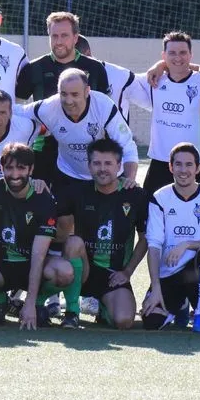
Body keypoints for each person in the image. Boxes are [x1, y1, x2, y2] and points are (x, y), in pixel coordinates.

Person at [0, 143, 82, 329]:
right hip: (0, 263)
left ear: (31, 169)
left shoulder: (43, 198)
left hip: (33, 263)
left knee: (64, 272)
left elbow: (38, 256)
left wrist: (30, 303)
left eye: (21, 168)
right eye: (9, 168)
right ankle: (0, 299)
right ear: (1, 168)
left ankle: (41, 303)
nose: (15, 175)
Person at [55, 139, 149, 329]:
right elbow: (56, 230)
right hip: (83, 269)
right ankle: (72, 311)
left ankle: (104, 307)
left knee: (123, 321)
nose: (102, 169)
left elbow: (145, 238)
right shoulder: (77, 192)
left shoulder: (136, 195)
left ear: (119, 166)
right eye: (96, 163)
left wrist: (127, 272)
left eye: (108, 163)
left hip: (113, 274)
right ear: (89, 166)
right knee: (73, 243)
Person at [16, 13, 110, 183]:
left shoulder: (95, 69)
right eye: (54, 36)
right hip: (45, 149)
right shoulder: (34, 68)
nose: (58, 41)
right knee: (44, 204)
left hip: (87, 151)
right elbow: (17, 106)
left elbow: (106, 111)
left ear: (75, 38)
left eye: (64, 35)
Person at [142, 143, 200, 333]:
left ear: (198, 168)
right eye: (178, 164)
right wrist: (155, 288)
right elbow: (153, 245)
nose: (183, 170)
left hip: (196, 275)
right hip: (169, 274)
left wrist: (186, 244)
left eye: (189, 165)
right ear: (170, 167)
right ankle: (179, 306)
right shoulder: (159, 197)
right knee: (151, 322)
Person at [20, 68, 139, 189]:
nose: (69, 101)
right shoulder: (48, 107)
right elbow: (14, 112)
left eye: (75, 94)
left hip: (107, 176)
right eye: (63, 94)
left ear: (87, 91)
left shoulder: (104, 106)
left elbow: (127, 145)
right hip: (68, 173)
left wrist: (129, 179)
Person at [130, 31, 200, 196]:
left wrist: (162, 64)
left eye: (183, 53)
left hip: (195, 164)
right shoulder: (153, 81)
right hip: (161, 162)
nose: (178, 57)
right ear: (163, 55)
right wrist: (161, 66)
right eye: (172, 53)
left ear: (190, 55)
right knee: (148, 214)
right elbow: (120, 78)